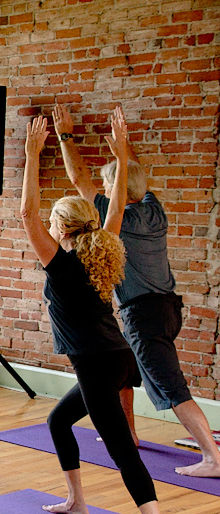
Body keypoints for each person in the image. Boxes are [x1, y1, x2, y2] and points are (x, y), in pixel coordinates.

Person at [20, 111, 174, 514]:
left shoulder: (62, 265)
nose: (48, 229)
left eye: (53, 224)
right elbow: (119, 205)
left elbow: (27, 213)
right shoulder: (102, 246)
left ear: (63, 229)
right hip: (117, 358)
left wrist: (33, 155)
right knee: (58, 421)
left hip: (97, 365)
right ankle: (77, 502)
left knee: (123, 451)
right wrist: (121, 158)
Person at [53, 104, 220, 478]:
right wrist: (123, 146)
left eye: (108, 185)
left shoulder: (119, 219)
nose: (104, 189)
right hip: (167, 309)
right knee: (124, 367)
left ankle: (213, 457)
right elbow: (136, 176)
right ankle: (128, 433)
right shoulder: (153, 208)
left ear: (115, 191)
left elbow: (79, 178)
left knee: (172, 388)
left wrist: (65, 135)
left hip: (143, 315)